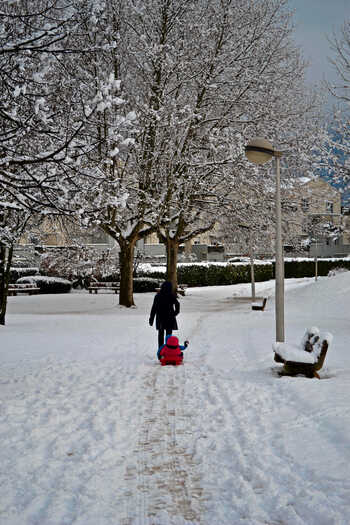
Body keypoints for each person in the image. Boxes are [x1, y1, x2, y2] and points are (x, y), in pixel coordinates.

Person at [149, 281, 180, 348]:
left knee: (160, 335)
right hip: (170, 317)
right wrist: (175, 313)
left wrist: (151, 319)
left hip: (160, 318)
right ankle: (168, 350)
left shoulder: (158, 296)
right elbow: (177, 304)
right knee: (168, 335)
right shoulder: (171, 295)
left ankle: (160, 350)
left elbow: (154, 308)